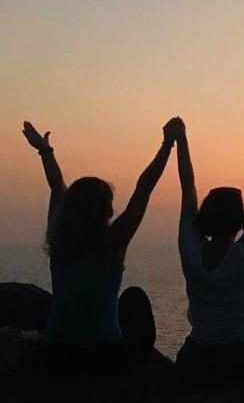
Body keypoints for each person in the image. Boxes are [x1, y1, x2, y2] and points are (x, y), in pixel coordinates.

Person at [15, 120, 173, 373]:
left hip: (56, 351)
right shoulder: (113, 242)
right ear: (107, 209)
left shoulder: (58, 241)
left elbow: (56, 185)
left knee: (42, 304)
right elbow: (144, 188)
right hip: (104, 353)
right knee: (134, 299)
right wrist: (167, 145)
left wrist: (44, 150)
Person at [171, 115, 244, 377]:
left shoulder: (190, 250)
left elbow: (187, 187)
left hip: (199, 356)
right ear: (239, 221)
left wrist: (180, 139)